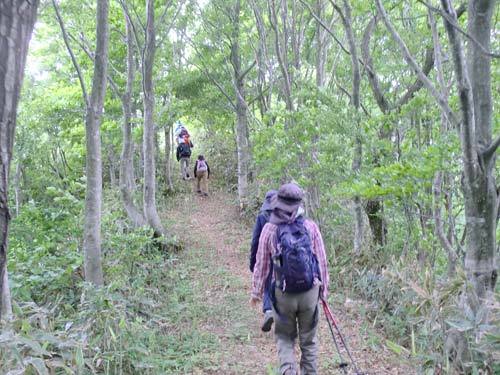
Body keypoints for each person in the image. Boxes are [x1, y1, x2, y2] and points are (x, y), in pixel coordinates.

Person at [250, 183, 329, 375]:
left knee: (284, 338)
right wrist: (324, 291)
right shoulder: (310, 227)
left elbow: (262, 265)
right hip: (309, 293)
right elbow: (322, 261)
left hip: (283, 293)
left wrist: (256, 293)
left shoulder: (269, 229)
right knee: (309, 342)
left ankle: (288, 371)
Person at [249, 189, 277, 332]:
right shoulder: (287, 215)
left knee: (267, 280)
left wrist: (253, 261)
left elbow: (255, 240)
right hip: (283, 255)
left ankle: (268, 311)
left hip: (266, 252)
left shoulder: (262, 216)